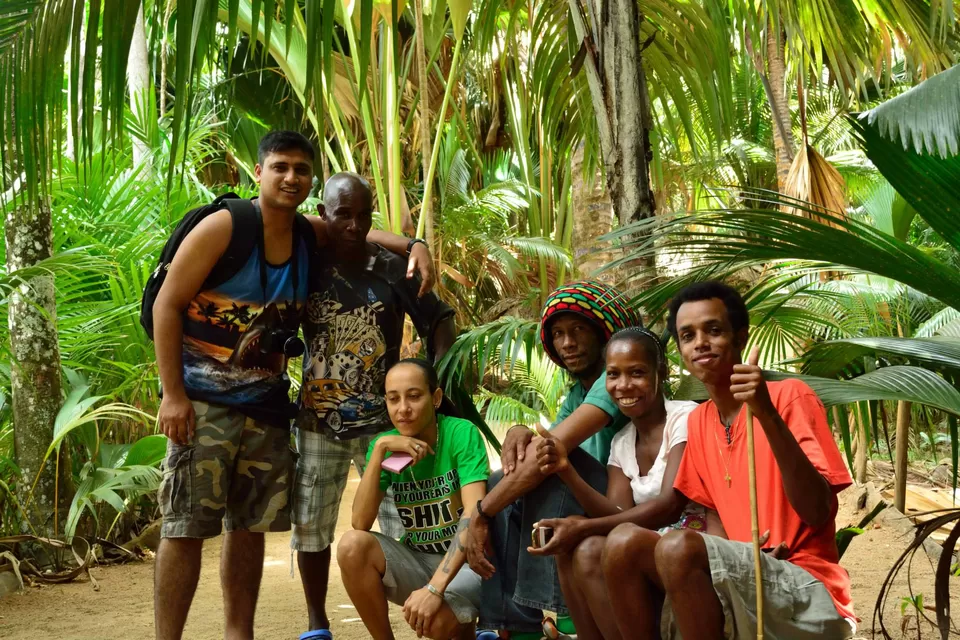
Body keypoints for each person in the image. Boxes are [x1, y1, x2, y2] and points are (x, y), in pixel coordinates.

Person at [153, 131, 435, 640]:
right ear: (258, 172)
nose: (290, 177)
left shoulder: (308, 233)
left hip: (265, 406)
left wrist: (417, 245)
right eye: (280, 167)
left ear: (309, 183)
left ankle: (241, 633)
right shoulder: (227, 225)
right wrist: (173, 395)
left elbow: (361, 234)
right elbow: (166, 304)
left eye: (301, 170)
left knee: (250, 526)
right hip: (203, 401)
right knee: (185, 525)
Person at [598, 281, 855, 639]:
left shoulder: (789, 397)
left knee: (677, 545)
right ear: (682, 353)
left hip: (807, 586)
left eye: (714, 330)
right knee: (622, 541)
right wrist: (743, 554)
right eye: (688, 336)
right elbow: (714, 514)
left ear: (741, 337)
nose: (700, 342)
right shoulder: (699, 422)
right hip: (741, 577)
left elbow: (817, 510)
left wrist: (766, 415)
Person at [293, 173, 457, 640]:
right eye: (342, 213)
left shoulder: (390, 269)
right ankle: (316, 621)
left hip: (387, 424)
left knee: (401, 518)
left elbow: (439, 319)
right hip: (316, 418)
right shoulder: (305, 262)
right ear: (324, 214)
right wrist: (413, 240)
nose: (353, 224)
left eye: (363, 214)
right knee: (312, 521)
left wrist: (437, 375)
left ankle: (418, 617)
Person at [465, 281, 642, 636]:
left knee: (533, 476)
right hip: (590, 493)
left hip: (625, 500)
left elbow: (553, 451)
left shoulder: (611, 385)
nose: (567, 343)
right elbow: (541, 444)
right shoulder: (578, 390)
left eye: (578, 330)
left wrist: (481, 514)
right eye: (558, 334)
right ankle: (516, 628)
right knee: (505, 479)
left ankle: (560, 619)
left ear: (605, 335)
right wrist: (520, 430)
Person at [527, 327, 707, 639]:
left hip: (687, 546)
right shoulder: (623, 442)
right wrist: (565, 469)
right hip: (643, 545)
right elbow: (615, 511)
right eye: (613, 375)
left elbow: (669, 506)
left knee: (595, 536)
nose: (623, 385)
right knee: (579, 548)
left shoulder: (684, 418)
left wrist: (582, 527)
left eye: (636, 373)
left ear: (659, 373)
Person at [338, 359, 489, 640]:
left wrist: (435, 589)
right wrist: (381, 449)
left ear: (436, 398)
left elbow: (473, 512)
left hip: (469, 562)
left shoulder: (461, 434)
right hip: (418, 560)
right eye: (393, 399)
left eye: (414, 396)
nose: (403, 409)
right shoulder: (385, 445)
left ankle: (465, 625)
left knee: (436, 624)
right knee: (352, 545)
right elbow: (359, 522)